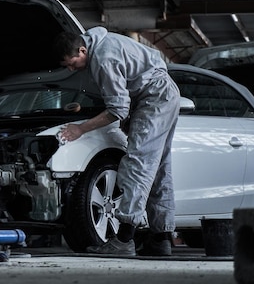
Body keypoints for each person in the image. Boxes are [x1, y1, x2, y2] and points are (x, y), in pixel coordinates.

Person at [51, 27, 180, 256]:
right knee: (158, 169)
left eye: (72, 62)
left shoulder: (102, 57)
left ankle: (123, 240)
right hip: (162, 94)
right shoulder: (103, 43)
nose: (71, 69)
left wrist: (80, 128)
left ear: (82, 49)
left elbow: (118, 109)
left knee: (137, 165)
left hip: (154, 98)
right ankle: (160, 239)